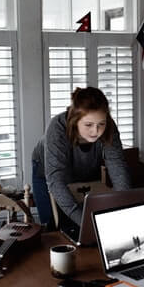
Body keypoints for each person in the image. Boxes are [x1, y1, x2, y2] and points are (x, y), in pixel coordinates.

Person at [31, 87, 131, 230]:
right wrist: (86, 224)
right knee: (53, 226)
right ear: (75, 120)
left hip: (85, 168)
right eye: (88, 125)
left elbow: (118, 167)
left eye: (101, 124)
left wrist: (123, 208)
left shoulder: (109, 127)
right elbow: (56, 181)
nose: (96, 131)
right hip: (48, 171)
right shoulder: (57, 128)